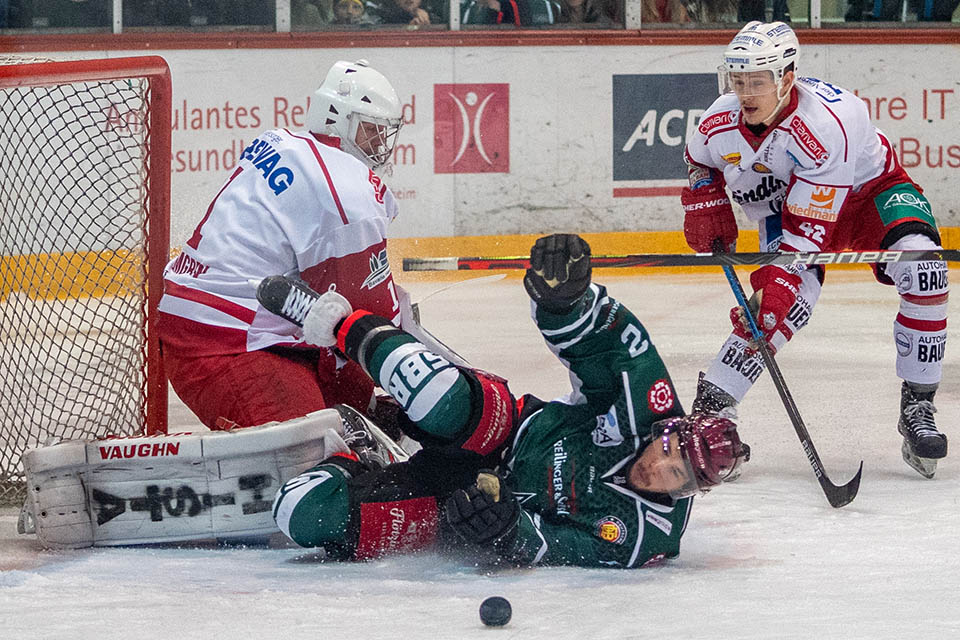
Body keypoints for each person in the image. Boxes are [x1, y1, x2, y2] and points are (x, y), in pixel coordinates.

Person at [268, 234, 749, 567]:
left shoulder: (646, 535)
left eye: (680, 479)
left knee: (300, 512)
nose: (663, 472)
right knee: (439, 399)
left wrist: (503, 532)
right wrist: (567, 303)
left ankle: (365, 457)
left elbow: (552, 546)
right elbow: (610, 345)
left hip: (459, 502)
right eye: (670, 454)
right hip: (506, 428)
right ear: (667, 431)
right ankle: (332, 321)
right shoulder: (647, 404)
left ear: (692, 492)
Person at [680, 21, 949, 478]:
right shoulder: (718, 121)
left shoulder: (828, 125)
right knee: (778, 308)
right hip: (786, 203)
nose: (745, 92)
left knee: (926, 270)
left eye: (758, 80)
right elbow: (699, 159)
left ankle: (918, 406)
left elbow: (808, 233)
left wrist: (780, 280)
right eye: (738, 79)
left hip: (871, 192)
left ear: (787, 77)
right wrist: (706, 204)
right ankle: (713, 409)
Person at [157, 60, 404, 431]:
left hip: (201, 320)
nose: (379, 145)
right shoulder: (348, 190)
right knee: (321, 454)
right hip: (225, 345)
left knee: (363, 407)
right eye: (371, 131)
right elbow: (373, 314)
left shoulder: (281, 141)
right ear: (338, 119)